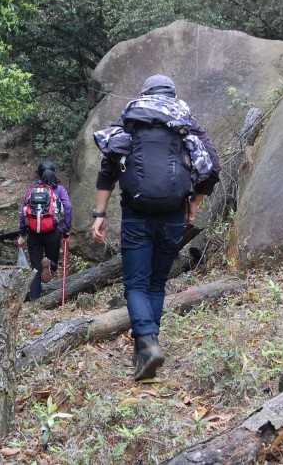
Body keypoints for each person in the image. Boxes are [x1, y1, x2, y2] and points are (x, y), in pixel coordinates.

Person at [91, 75, 221, 381]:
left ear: (145, 94)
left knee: (136, 283)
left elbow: (109, 166)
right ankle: (147, 348)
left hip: (136, 213)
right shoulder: (185, 121)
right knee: (156, 284)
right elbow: (212, 166)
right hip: (174, 214)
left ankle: (147, 344)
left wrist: (99, 213)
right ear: (172, 95)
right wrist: (194, 204)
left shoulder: (133, 118)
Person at [17, 160, 73, 300]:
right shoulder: (59, 189)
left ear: (39, 174)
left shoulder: (31, 190)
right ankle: (50, 264)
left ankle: (35, 301)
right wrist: (66, 228)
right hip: (53, 232)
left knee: (35, 268)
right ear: (54, 172)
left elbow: (24, 211)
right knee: (52, 260)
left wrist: (21, 233)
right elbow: (68, 208)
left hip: (34, 233)